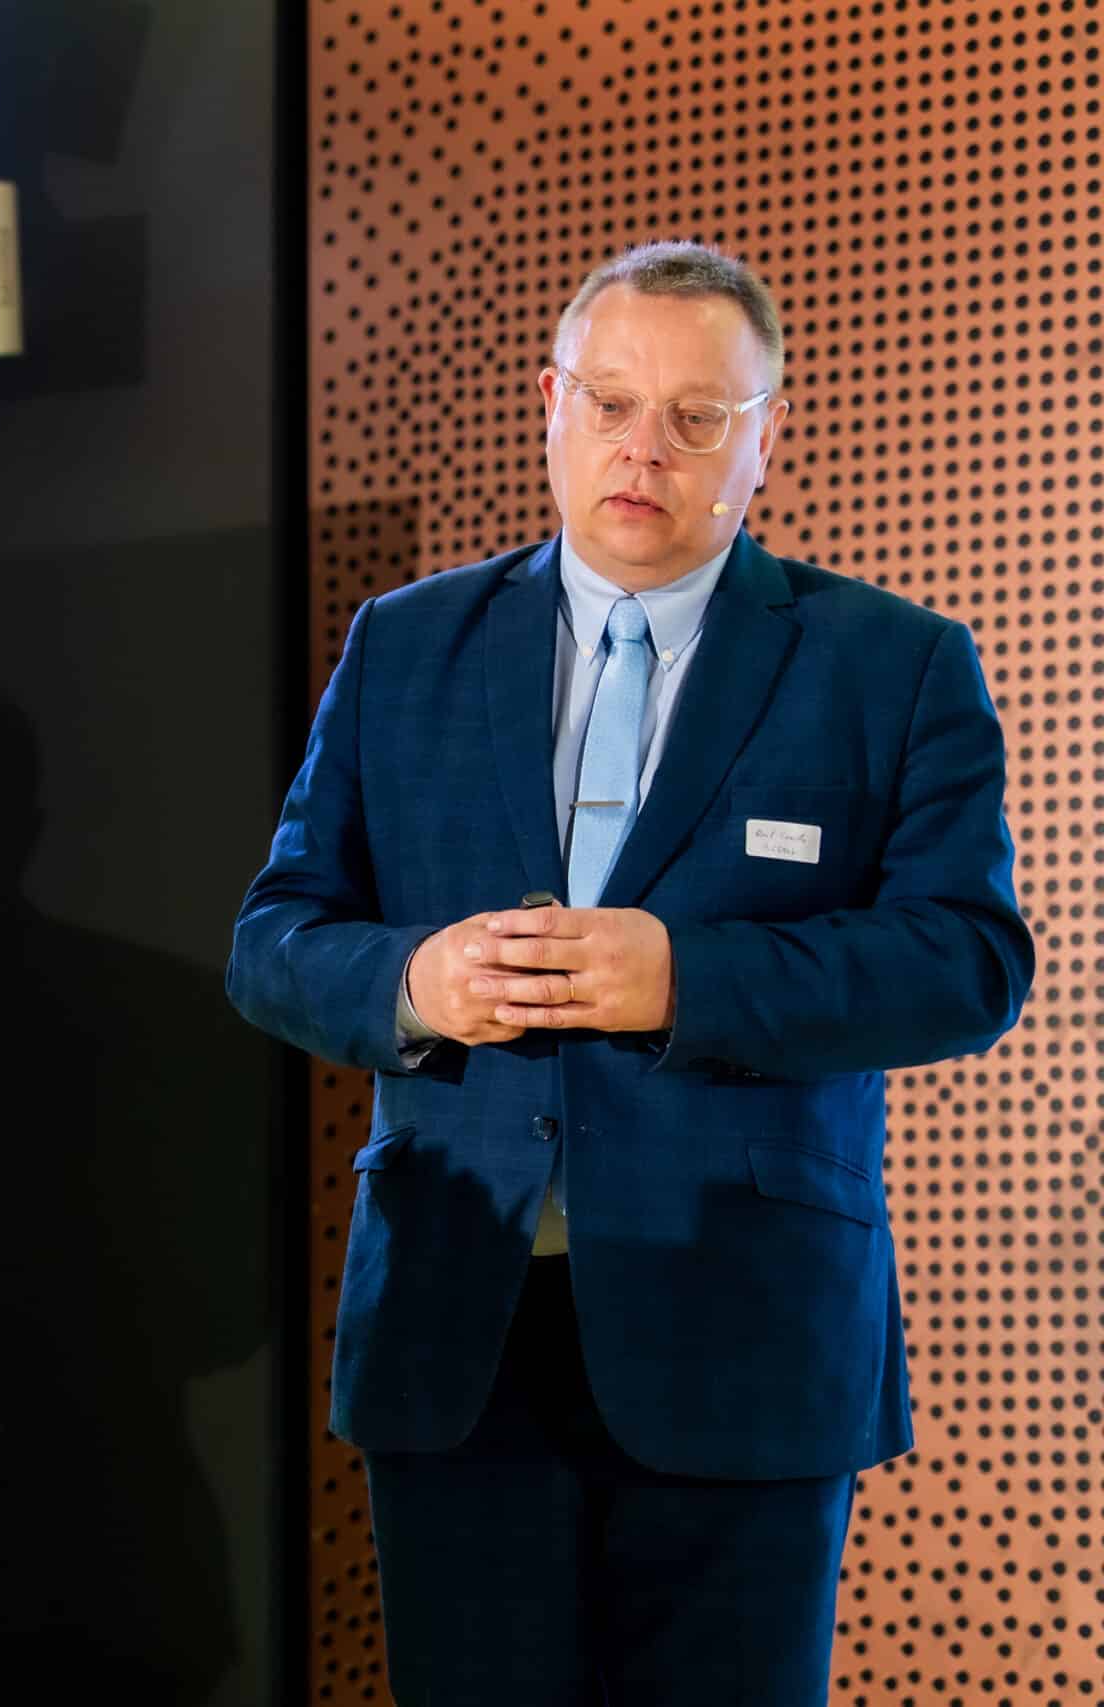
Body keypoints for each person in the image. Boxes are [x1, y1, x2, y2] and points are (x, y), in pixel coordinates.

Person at [225, 241, 1035, 1705]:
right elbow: (276, 940)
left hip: (748, 1329)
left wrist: (688, 980)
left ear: (765, 436)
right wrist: (414, 985)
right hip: (458, 1325)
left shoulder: (892, 661)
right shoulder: (406, 645)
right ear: (552, 405)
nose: (642, 449)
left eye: (695, 417)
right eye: (609, 404)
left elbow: (966, 961)